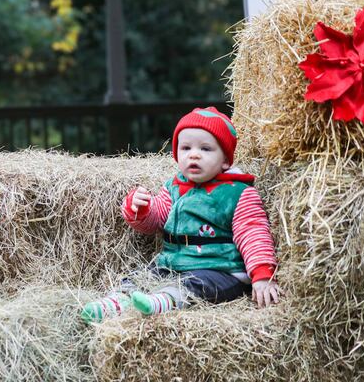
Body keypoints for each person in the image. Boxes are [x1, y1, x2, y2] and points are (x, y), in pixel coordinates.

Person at [81, 107, 281, 323]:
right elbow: (155, 220)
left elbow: (253, 233)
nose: (194, 154)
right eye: (186, 148)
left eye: (205, 149)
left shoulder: (237, 193)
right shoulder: (174, 187)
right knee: (142, 274)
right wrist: (141, 209)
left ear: (225, 160)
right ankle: (116, 301)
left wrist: (262, 274)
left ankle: (161, 302)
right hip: (174, 264)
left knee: (195, 284)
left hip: (219, 270)